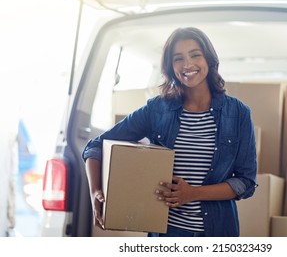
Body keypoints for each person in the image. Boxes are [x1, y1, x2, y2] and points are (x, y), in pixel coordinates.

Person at [82, 27, 258, 237]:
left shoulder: (238, 113)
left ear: (208, 59)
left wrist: (193, 194)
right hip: (167, 233)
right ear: (170, 66)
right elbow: (95, 147)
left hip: (216, 231)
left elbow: (245, 182)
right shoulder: (158, 109)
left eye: (195, 55)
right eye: (178, 58)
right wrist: (95, 193)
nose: (187, 64)